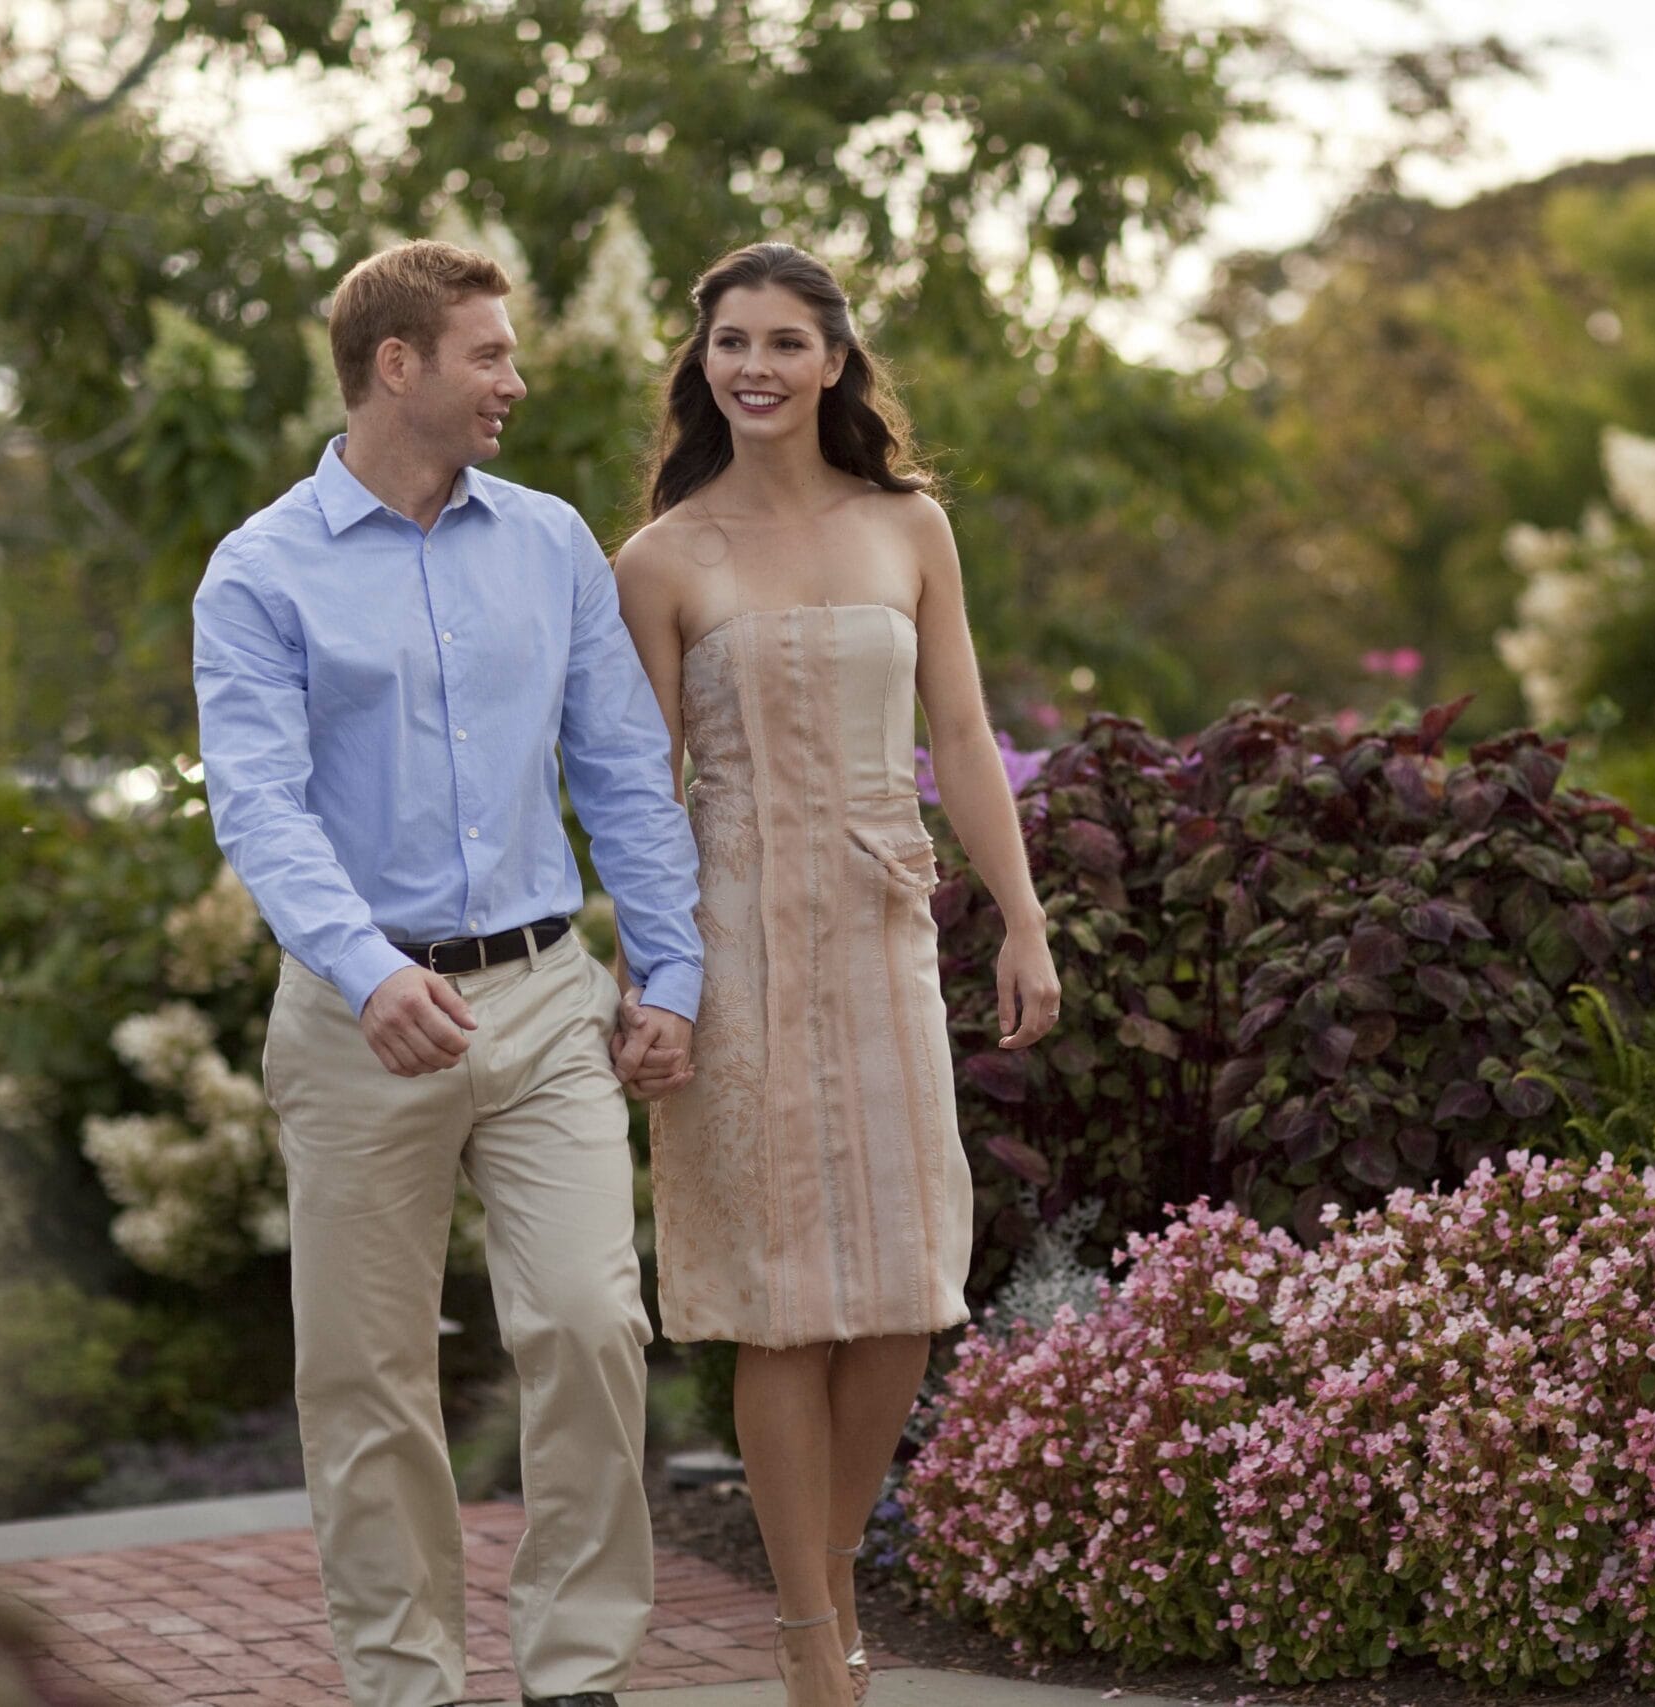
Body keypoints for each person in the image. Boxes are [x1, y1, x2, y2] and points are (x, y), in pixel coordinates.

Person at [192, 238, 703, 1707]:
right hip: (363, 1017)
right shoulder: (262, 572)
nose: (516, 383)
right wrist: (363, 970)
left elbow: (620, 770)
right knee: (364, 1377)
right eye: (490, 355)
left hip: (544, 995)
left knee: (593, 1321)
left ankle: (577, 1670)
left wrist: (668, 973)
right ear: (396, 364)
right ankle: (408, 1682)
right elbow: (260, 807)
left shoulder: (547, 545)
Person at [612, 241, 1060, 1707]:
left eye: (787, 341)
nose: (756, 365)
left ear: (835, 363)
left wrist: (1025, 917)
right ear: (703, 366)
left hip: (882, 933)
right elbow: (641, 792)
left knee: (900, 1292)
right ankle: (813, 1642)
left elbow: (967, 735)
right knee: (780, 1297)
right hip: (732, 943)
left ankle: (829, 1571)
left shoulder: (910, 527)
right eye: (732, 341)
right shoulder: (661, 561)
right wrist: (653, 981)